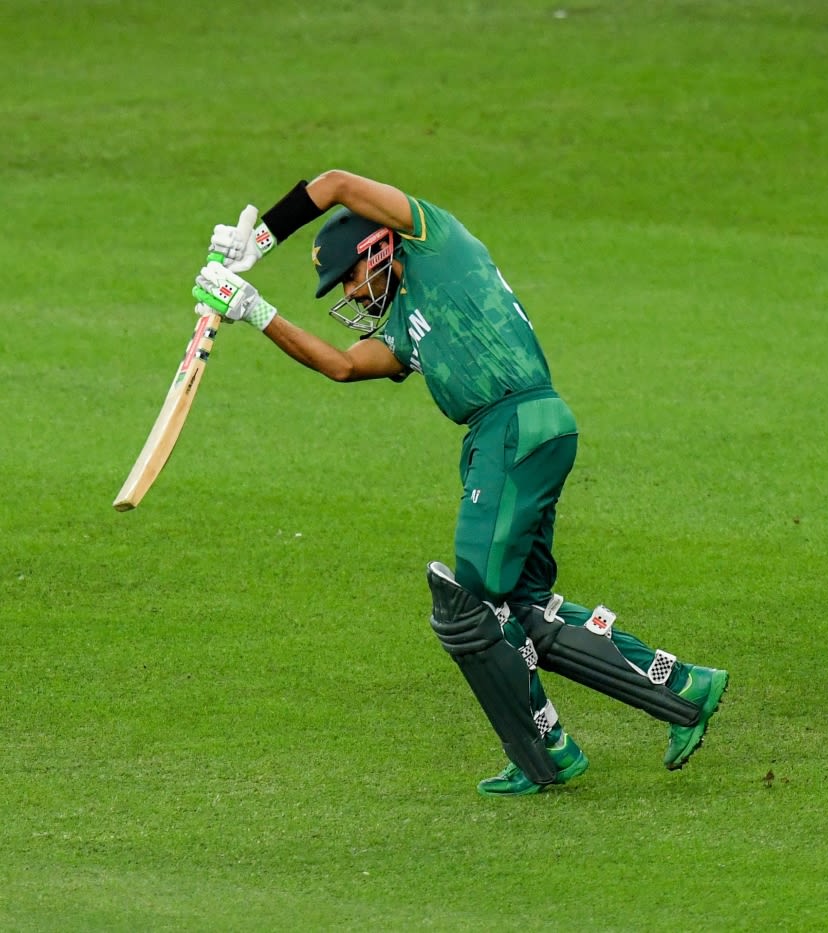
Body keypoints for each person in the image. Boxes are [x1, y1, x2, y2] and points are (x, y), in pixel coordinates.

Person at [190, 171, 729, 795]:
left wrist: (263, 236)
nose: (347, 294)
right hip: (513, 433)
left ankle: (547, 748)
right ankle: (683, 686)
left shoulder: (435, 241)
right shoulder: (400, 324)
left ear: (377, 248)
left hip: (513, 424)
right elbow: (341, 365)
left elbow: (335, 183)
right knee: (519, 604)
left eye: (346, 277)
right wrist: (256, 312)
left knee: (470, 604)